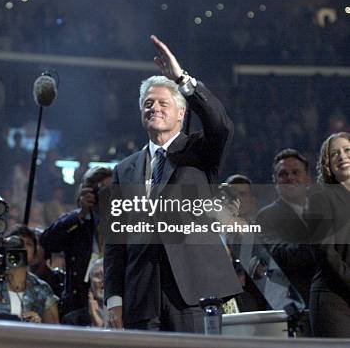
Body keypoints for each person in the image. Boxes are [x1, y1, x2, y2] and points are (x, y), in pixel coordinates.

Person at [104, 35, 242, 332]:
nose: (154, 108)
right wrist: (114, 298)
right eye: (147, 103)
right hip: (140, 297)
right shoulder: (123, 170)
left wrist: (181, 79)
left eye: (163, 103)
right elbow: (115, 240)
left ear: (182, 113)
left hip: (192, 292)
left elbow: (221, 125)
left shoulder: (199, 151)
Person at [41, 166, 112, 316]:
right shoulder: (76, 222)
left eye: (109, 189)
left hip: (113, 305)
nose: (104, 195)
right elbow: (47, 242)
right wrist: (81, 214)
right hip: (78, 305)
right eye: (99, 190)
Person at [255, 149, 315, 304]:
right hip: (300, 300)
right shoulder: (266, 216)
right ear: (275, 181)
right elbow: (279, 255)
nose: (290, 178)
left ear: (307, 179)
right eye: (283, 174)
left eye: (296, 172)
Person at [308, 132, 350, 337]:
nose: (342, 156)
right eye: (335, 153)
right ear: (328, 164)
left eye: (347, 150)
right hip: (333, 300)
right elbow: (324, 252)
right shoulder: (320, 197)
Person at [0, 235, 60, 324]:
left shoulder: (41, 289)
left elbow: (55, 329)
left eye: (28, 245)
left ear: (34, 255)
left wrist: (38, 322)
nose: (20, 251)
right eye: (15, 248)